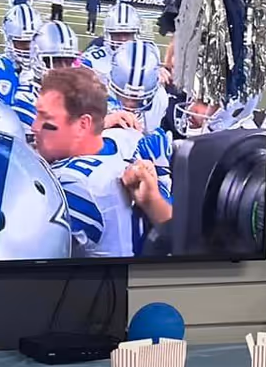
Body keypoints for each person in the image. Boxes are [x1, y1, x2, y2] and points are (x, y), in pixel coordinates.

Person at [33, 66, 170, 257]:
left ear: (83, 124)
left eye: (45, 117)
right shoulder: (134, 144)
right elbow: (174, 229)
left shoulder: (72, 185)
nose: (34, 126)